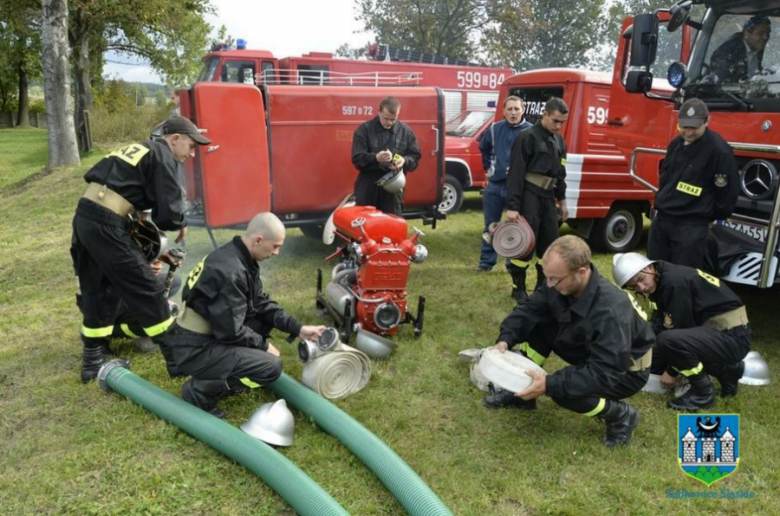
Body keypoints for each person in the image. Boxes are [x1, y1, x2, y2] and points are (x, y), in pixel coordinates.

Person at [71, 115, 211, 383]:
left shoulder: (142, 150)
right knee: (146, 286)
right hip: (107, 221)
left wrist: (158, 250)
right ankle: (177, 358)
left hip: (87, 216)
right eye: (191, 147)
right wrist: (180, 222)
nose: (191, 154)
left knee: (98, 288)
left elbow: (130, 215)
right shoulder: (163, 154)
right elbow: (167, 215)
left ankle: (92, 363)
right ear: (175, 139)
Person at [485, 236, 655, 448]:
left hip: (625, 371)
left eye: (555, 279)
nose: (549, 284)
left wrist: (551, 384)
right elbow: (529, 309)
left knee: (563, 391)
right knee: (538, 325)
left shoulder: (610, 311)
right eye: (548, 277)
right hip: (593, 349)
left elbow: (606, 372)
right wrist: (506, 338)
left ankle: (620, 415)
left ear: (582, 273)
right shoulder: (559, 282)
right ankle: (523, 392)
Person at [164, 213, 326, 418]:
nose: (277, 253)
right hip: (193, 348)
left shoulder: (237, 257)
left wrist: (299, 328)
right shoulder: (232, 272)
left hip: (193, 334)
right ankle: (200, 391)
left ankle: (216, 368)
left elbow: (261, 304)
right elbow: (232, 332)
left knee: (262, 321)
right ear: (258, 240)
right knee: (271, 366)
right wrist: (265, 346)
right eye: (275, 246)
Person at [612, 252, 751, 412]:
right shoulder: (660, 278)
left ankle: (702, 393)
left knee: (667, 341)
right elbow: (661, 322)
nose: (642, 288)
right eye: (634, 286)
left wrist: (670, 371)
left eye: (641, 280)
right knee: (651, 356)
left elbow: (679, 333)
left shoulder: (674, 283)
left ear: (649, 267)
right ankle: (727, 370)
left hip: (732, 336)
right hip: (713, 332)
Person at [647, 98, 739, 270]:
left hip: (691, 225)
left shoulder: (719, 150)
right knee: (656, 273)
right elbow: (666, 178)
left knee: (683, 278)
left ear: (707, 121)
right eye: (684, 127)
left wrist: (713, 216)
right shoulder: (676, 144)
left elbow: (726, 192)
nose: (688, 132)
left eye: (694, 128)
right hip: (663, 220)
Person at [505, 97, 570, 302]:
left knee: (549, 244)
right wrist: (513, 207)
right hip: (529, 196)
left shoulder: (559, 140)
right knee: (525, 245)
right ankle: (518, 288)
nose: (558, 126)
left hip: (548, 198)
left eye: (562, 122)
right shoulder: (527, 137)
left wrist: (563, 200)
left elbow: (561, 172)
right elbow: (515, 173)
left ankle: (542, 288)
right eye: (555, 121)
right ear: (545, 115)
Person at [474, 96, 532, 272]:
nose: (513, 113)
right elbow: (483, 148)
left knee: (515, 227)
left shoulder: (531, 131)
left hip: (519, 187)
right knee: (490, 226)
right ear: (504, 111)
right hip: (495, 185)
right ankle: (486, 263)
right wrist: (489, 169)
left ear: (523, 110)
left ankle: (511, 264)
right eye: (510, 109)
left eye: (517, 109)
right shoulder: (494, 129)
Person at [351, 96, 422, 216]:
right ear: (379, 110)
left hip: (393, 189)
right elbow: (356, 159)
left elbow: (415, 157)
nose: (389, 123)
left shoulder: (405, 131)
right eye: (386, 118)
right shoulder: (364, 130)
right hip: (368, 187)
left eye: (393, 119)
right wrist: (375, 158)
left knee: (392, 225)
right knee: (365, 226)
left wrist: (404, 161)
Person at [710, 15, 772, 83]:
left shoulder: (756, 47)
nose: (765, 37)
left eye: (768, 33)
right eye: (760, 33)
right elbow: (722, 84)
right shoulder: (727, 52)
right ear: (746, 33)